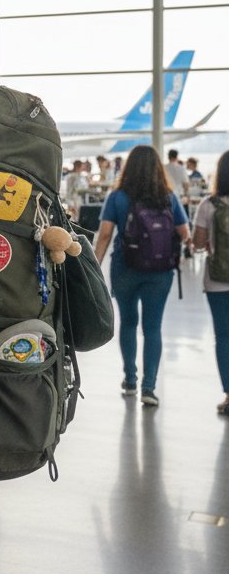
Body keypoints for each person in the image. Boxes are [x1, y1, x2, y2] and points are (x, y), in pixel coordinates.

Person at [94, 144, 191, 408]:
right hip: (160, 271)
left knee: (128, 323)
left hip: (125, 267)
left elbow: (105, 234)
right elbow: (185, 233)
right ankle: (149, 387)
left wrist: (95, 266)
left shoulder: (117, 197)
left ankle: (130, 380)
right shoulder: (168, 197)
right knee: (153, 327)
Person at [190, 150, 229, 416]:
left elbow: (198, 244)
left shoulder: (208, 205)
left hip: (217, 281)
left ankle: (228, 395)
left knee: (223, 337)